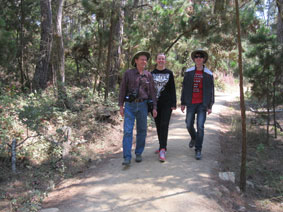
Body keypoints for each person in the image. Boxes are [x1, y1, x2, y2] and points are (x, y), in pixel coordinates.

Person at [119, 51, 157, 166]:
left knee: (142, 130)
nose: (144, 61)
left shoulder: (148, 75)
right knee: (128, 131)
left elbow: (152, 93)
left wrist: (154, 107)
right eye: (142, 59)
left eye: (145, 60)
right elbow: (122, 90)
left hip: (143, 105)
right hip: (130, 106)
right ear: (136, 61)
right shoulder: (128, 73)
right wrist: (121, 105)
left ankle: (139, 153)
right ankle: (127, 157)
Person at [180, 49, 214, 160]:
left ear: (203, 59)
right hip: (191, 103)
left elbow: (211, 91)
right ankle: (194, 138)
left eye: (200, 57)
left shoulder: (208, 74)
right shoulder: (189, 72)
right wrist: (183, 102)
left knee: (200, 127)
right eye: (196, 56)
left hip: (202, 104)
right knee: (188, 124)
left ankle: (198, 149)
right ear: (194, 59)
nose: (198, 58)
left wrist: (210, 106)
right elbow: (184, 88)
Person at [151, 53, 176, 162]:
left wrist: (174, 103)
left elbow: (172, 89)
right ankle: (162, 145)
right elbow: (150, 90)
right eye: (159, 59)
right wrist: (150, 105)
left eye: (163, 59)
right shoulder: (151, 73)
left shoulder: (169, 73)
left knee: (164, 124)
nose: (161, 60)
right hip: (155, 104)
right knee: (158, 125)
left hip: (167, 103)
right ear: (156, 60)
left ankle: (162, 149)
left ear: (165, 61)